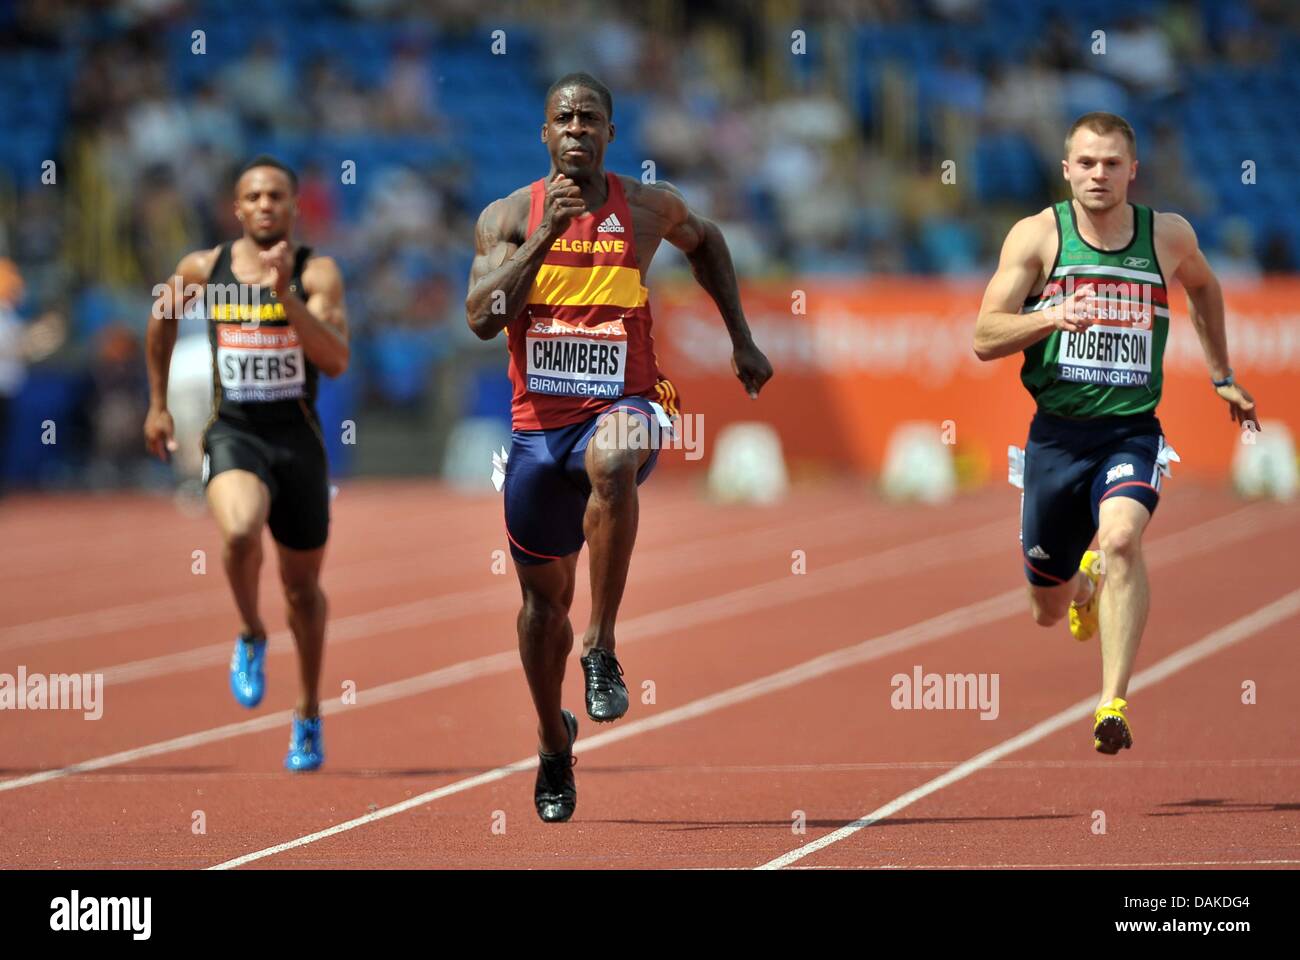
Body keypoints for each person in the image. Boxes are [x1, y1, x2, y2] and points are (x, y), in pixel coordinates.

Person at [465, 73, 772, 821]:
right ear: (545, 134)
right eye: (563, 118)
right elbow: (480, 317)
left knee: (614, 458)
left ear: (610, 133)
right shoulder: (508, 215)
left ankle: (601, 646)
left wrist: (742, 338)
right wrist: (545, 236)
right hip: (538, 429)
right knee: (542, 610)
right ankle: (550, 741)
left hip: (625, 400)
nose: (575, 128)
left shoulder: (645, 207)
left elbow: (709, 242)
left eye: (590, 118)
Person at [974, 112, 1259, 754]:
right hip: (1056, 439)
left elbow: (1205, 289)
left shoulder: (1169, 236)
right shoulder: (1038, 237)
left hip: (1132, 432)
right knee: (1046, 608)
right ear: (1067, 168)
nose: (1098, 174)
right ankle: (1080, 585)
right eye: (1086, 162)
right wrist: (1050, 315)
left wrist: (1222, 375)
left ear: (1133, 170)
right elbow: (983, 336)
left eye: (1111, 163)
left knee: (1124, 538)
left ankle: (1111, 703)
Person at [144, 156, 349, 771]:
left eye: (277, 196)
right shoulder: (202, 268)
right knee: (237, 529)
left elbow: (336, 359)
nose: (265, 205)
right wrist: (157, 404)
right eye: (253, 196)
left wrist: (285, 293)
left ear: (293, 206)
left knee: (303, 589)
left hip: (299, 442)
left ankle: (308, 711)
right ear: (236, 208)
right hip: (234, 431)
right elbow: (160, 319)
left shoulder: (318, 271)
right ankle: (251, 631)